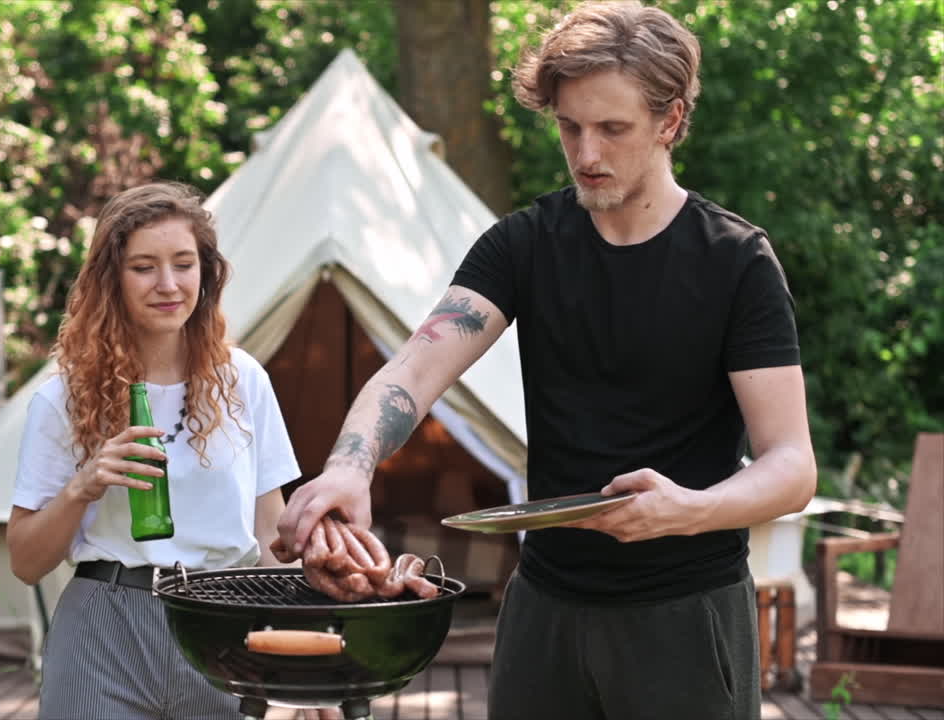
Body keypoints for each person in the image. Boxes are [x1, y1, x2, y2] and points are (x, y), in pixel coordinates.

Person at [275, 3, 817, 719]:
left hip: (685, 614)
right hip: (546, 610)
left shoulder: (735, 262)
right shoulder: (524, 245)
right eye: (570, 127)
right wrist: (350, 463)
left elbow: (792, 467)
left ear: (671, 121)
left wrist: (689, 511)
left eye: (612, 129)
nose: (586, 153)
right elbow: (412, 369)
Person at [6, 181, 307, 719]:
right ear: (112, 279)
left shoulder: (243, 382)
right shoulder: (63, 399)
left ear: (206, 272)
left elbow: (270, 537)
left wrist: (307, 658)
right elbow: (25, 560)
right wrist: (84, 486)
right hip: (104, 627)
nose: (167, 284)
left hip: (221, 622)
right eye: (143, 266)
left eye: (183, 263)